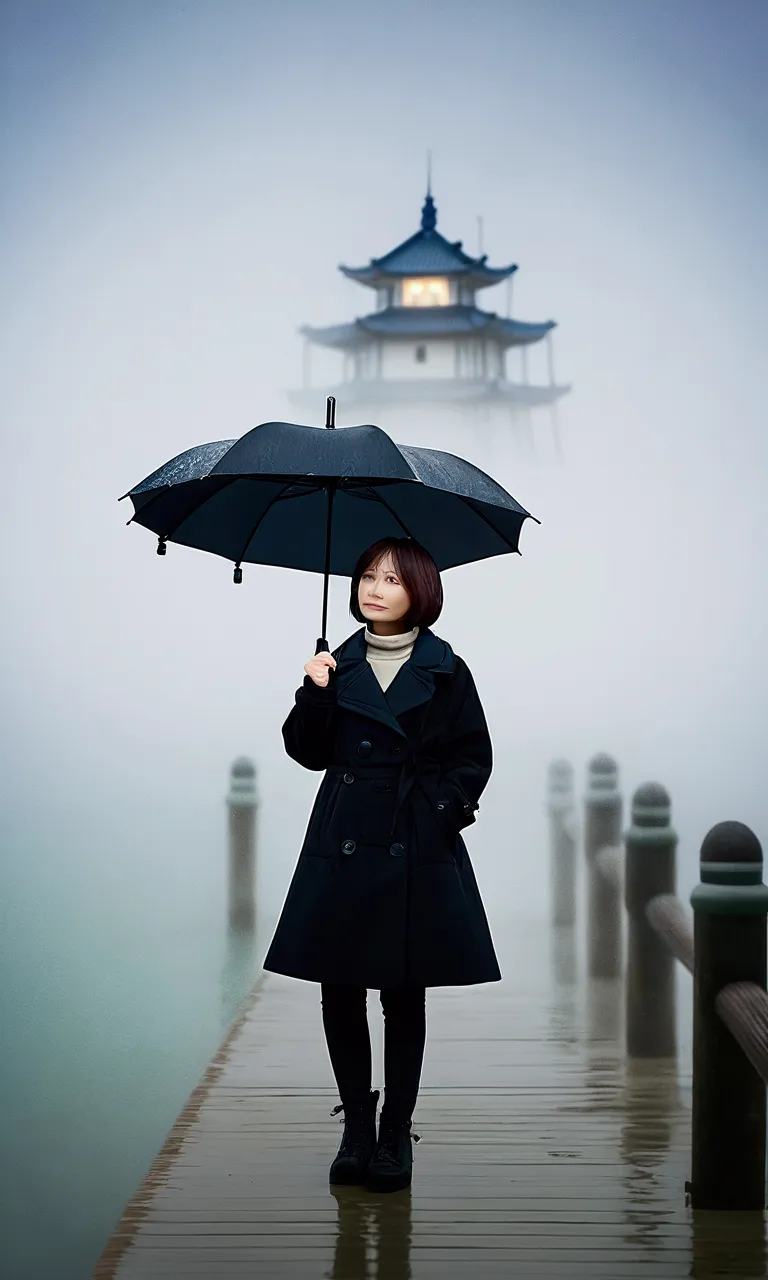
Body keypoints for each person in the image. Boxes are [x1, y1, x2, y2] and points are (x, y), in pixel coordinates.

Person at [262, 536, 501, 1193]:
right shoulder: (334, 664)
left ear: (419, 590)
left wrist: (443, 809)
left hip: (414, 838)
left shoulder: (447, 669)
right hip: (344, 835)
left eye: (391, 579)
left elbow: (472, 755)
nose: (374, 587)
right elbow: (307, 752)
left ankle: (396, 1131)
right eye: (367, 576)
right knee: (338, 987)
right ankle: (357, 1129)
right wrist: (313, 694)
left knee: (403, 991)